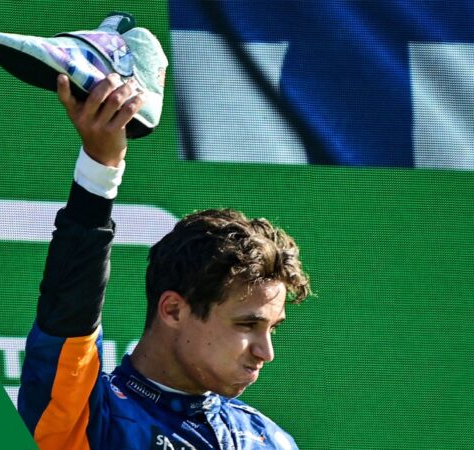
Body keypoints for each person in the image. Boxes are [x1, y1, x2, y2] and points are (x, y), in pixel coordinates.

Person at [17, 72, 311, 450]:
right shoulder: (92, 422)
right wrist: (101, 167)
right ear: (173, 310)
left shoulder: (272, 442)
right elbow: (68, 318)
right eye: (248, 324)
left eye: (271, 328)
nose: (265, 352)